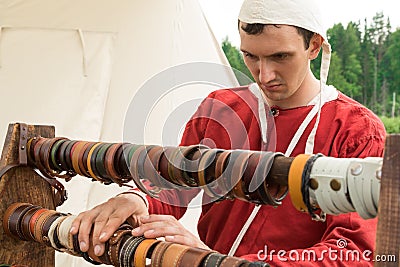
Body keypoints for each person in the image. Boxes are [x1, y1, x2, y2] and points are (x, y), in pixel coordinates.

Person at [70, 0, 386, 265]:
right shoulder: (220, 109)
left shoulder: (357, 129)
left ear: (314, 45)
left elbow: (353, 252)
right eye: (251, 56)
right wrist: (137, 200)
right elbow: (177, 183)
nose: (265, 74)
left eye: (280, 57)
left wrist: (216, 262)